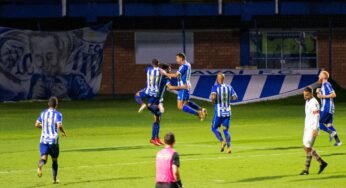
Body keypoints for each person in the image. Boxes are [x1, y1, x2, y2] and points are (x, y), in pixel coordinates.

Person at [163, 53, 206, 121]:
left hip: (183, 87)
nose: (176, 60)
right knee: (187, 102)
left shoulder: (184, 66)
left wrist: (165, 73)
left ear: (181, 58)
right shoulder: (187, 64)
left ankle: (198, 113)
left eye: (177, 58)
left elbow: (175, 75)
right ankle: (201, 109)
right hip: (185, 85)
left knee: (180, 106)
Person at [35, 96, 67, 184]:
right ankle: (54, 179)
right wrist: (63, 132)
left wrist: (45, 126)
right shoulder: (58, 114)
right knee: (54, 160)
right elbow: (59, 126)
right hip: (53, 141)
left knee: (44, 159)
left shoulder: (43, 113)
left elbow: (36, 124)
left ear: (48, 104)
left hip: (43, 141)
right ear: (56, 105)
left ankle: (39, 166)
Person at [300, 87, 328, 175]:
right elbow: (308, 115)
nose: (305, 96)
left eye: (307, 95)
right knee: (306, 147)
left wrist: (315, 129)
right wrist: (305, 126)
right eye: (304, 95)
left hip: (313, 128)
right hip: (308, 128)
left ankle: (306, 170)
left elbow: (316, 116)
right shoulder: (307, 101)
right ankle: (322, 163)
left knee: (308, 147)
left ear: (311, 94)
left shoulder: (314, 102)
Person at [210, 73, 238, 154]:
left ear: (218, 79)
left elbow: (213, 97)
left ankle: (222, 141)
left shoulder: (215, 87)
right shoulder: (229, 87)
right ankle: (229, 148)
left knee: (213, 128)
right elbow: (235, 97)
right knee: (226, 130)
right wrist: (227, 99)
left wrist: (212, 100)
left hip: (219, 112)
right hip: (228, 112)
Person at [316, 70, 342, 146]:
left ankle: (331, 132)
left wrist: (323, 96)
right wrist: (318, 92)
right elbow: (320, 96)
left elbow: (334, 95)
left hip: (326, 108)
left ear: (324, 76)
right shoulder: (323, 86)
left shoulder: (327, 84)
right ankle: (338, 141)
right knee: (329, 125)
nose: (319, 76)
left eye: (320, 74)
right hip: (328, 108)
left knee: (318, 122)